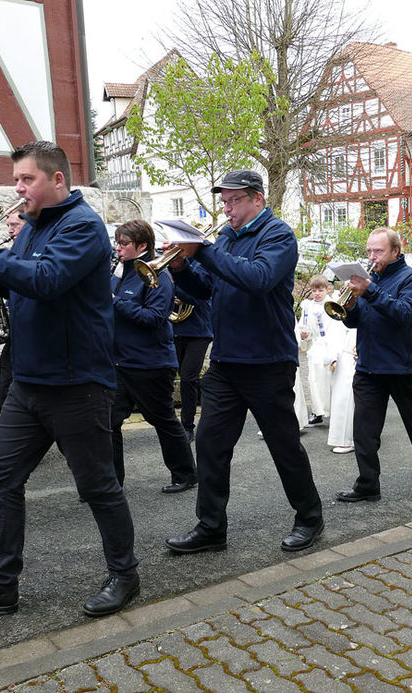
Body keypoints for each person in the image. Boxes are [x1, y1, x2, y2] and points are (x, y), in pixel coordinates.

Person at [0, 140, 140, 617]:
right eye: (15, 180)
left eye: (27, 179)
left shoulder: (83, 226)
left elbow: (46, 280)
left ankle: (125, 575)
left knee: (97, 486)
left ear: (57, 180)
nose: (19, 188)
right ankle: (0, 584)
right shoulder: (31, 226)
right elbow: (13, 279)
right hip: (30, 382)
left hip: (76, 384)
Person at [164, 169, 323, 554]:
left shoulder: (277, 235)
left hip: (267, 361)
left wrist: (203, 251)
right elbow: (205, 289)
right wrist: (182, 267)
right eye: (224, 200)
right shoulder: (225, 238)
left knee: (283, 445)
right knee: (210, 443)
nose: (227, 207)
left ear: (257, 200)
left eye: (234, 200)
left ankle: (310, 517)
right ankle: (211, 527)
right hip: (226, 362)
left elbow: (258, 278)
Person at [334, 227, 412, 501]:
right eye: (369, 251)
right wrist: (351, 304)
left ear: (395, 251)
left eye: (378, 251)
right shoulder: (369, 281)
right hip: (369, 367)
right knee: (364, 433)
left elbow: (403, 314)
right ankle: (368, 485)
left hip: (403, 367)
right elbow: (353, 322)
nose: (372, 256)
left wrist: (369, 292)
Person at [109, 219, 198, 493]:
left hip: (150, 364)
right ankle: (111, 484)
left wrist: (116, 302)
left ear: (143, 245)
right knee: (109, 422)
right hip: (119, 361)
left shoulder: (156, 275)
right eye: (117, 242)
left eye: (124, 243)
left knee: (162, 420)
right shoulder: (118, 271)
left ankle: (185, 474)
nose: (118, 248)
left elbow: (154, 318)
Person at [171, 262, 212, 444]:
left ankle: (187, 426)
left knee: (188, 378)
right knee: (176, 376)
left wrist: (175, 288)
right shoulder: (169, 267)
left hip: (199, 332)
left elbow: (200, 298)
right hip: (176, 330)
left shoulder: (201, 266)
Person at [298, 274, 341, 426]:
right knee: (313, 380)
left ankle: (334, 412)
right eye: (314, 291)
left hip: (330, 345)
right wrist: (305, 335)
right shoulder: (308, 306)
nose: (317, 294)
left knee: (329, 380)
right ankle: (317, 412)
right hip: (315, 347)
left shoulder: (332, 305)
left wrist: (334, 350)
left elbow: (337, 327)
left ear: (327, 290)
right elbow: (305, 327)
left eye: (320, 290)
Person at [0, 210, 24, 408]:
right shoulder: (12, 252)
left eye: (15, 225)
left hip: (30, 337)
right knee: (5, 390)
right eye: (8, 225)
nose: (10, 230)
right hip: (15, 337)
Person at [326, 325, 356, 454]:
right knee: (340, 398)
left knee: (347, 399)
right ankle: (342, 437)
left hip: (352, 358)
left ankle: (347, 440)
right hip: (343, 358)